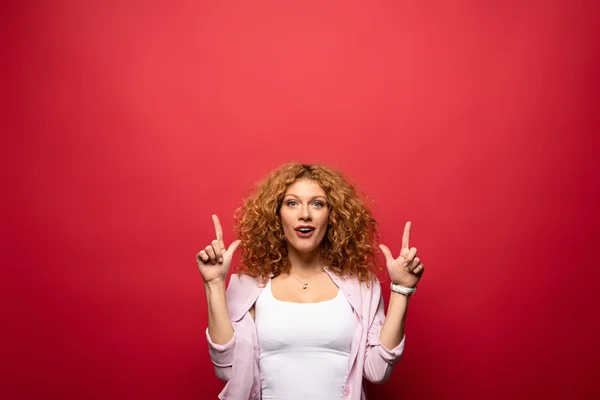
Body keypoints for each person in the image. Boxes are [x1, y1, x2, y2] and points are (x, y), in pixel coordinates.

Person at [196, 163, 425, 400]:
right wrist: (213, 284)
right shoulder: (248, 288)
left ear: (332, 216)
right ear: (276, 214)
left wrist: (402, 289)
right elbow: (226, 369)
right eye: (292, 203)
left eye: (317, 203)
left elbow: (377, 371)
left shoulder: (361, 287)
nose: (305, 214)